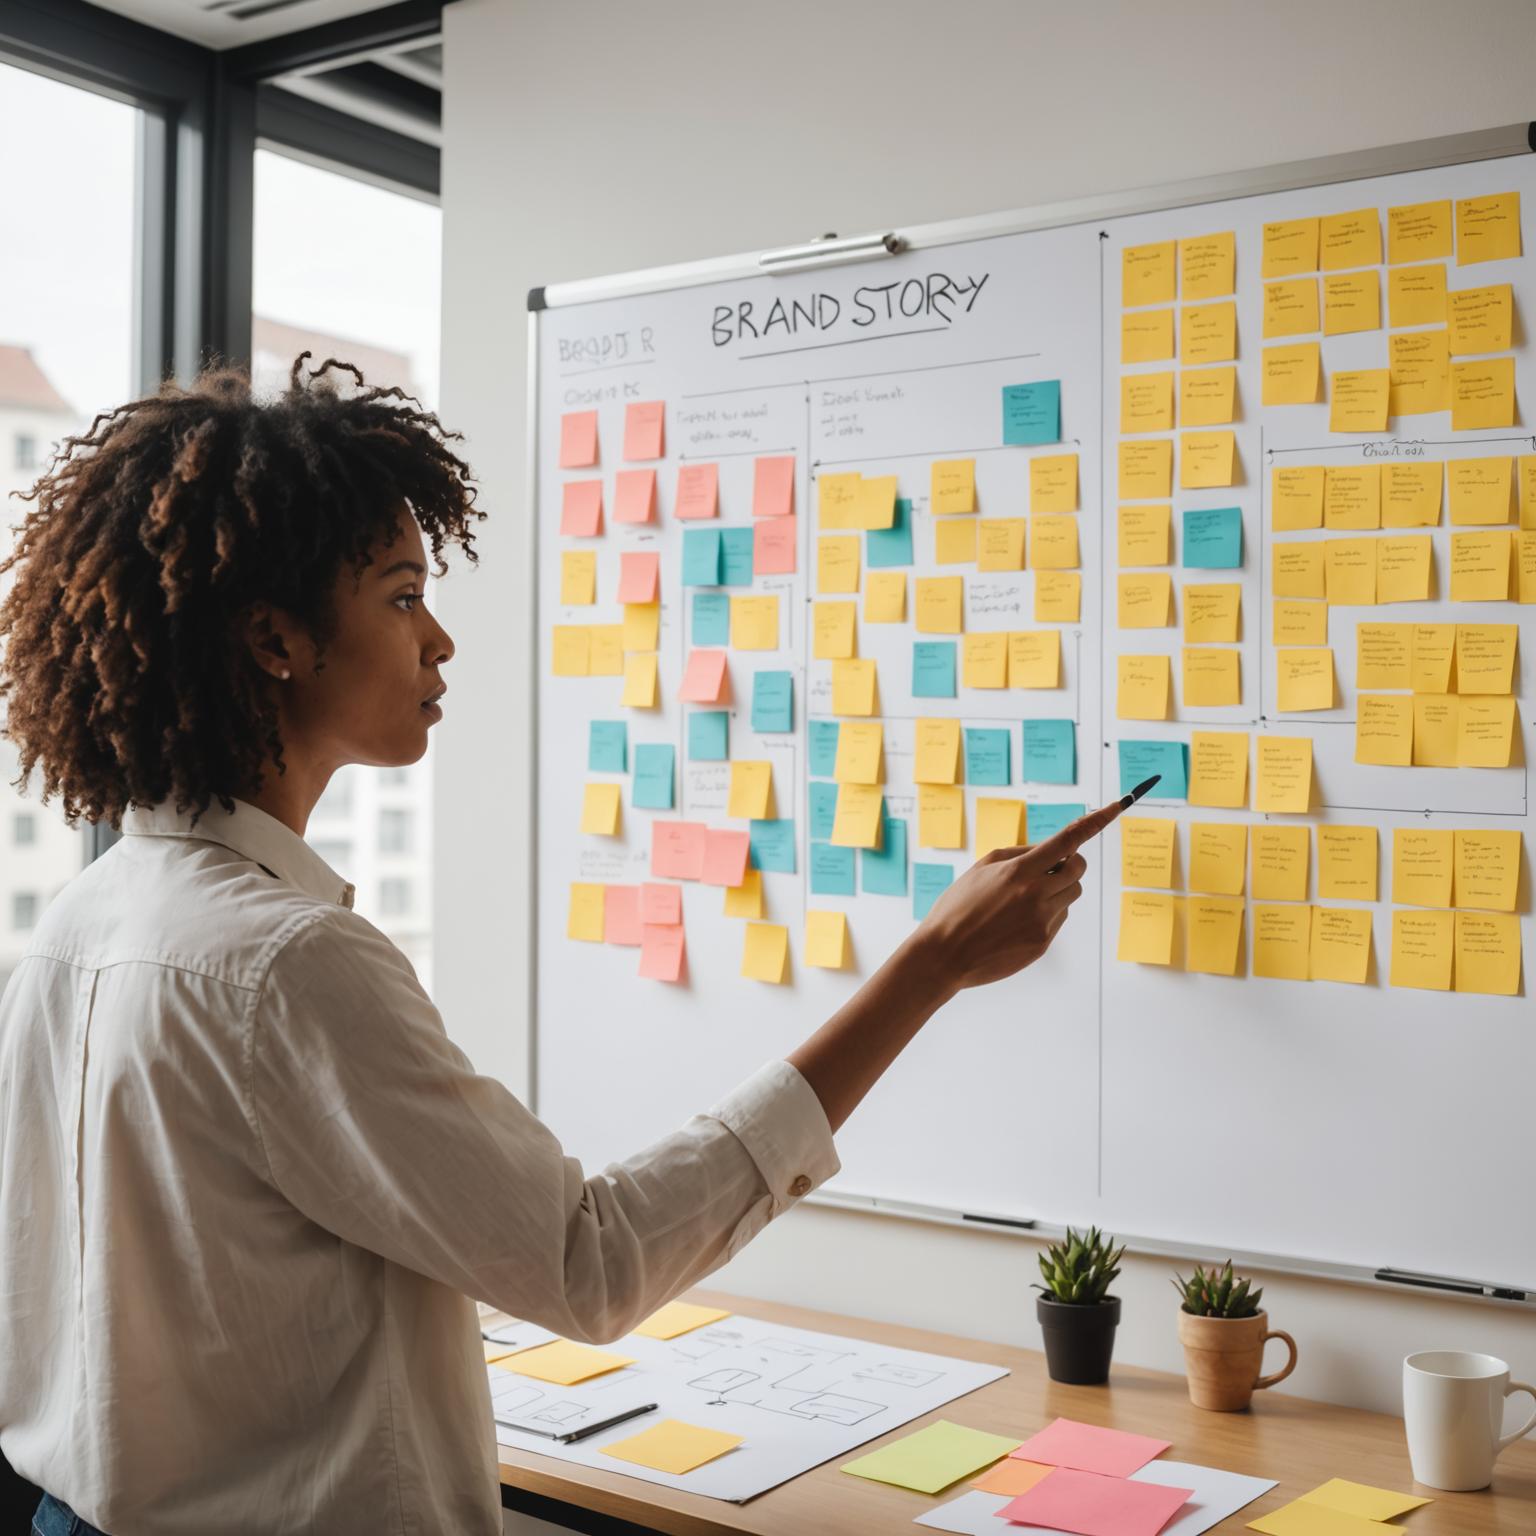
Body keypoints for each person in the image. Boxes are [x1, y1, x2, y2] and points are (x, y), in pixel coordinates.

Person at [0, 357, 1117, 1536]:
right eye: (398, 596)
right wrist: (929, 967)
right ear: (276, 641)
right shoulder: (285, 964)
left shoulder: (80, 924)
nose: (438, 642)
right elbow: (591, 1265)